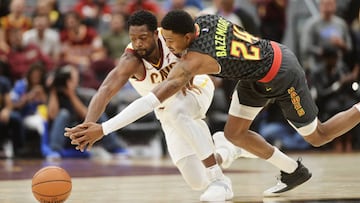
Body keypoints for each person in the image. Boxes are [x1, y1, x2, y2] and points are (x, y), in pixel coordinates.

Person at [66, 10, 357, 197]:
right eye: (165, 40)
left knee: (318, 136)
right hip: (252, 76)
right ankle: (293, 170)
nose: (171, 47)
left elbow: (156, 97)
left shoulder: (193, 60)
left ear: (188, 36)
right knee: (234, 135)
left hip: (281, 71)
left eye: (173, 42)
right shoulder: (203, 20)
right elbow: (108, 87)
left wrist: (103, 130)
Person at [64, 10, 255, 202]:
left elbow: (196, 36)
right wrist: (88, 125)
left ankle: (218, 180)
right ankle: (226, 150)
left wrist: (190, 70)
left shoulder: (172, 36)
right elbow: (105, 90)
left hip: (198, 89)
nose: (138, 43)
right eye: (133, 38)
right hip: (165, 111)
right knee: (196, 180)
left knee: (177, 110)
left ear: (157, 33)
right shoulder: (131, 60)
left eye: (143, 38)